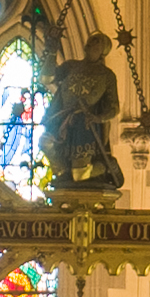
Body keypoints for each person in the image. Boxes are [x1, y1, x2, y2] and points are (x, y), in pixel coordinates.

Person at [42, 32, 126, 193]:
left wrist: (98, 118)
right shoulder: (70, 67)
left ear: (103, 50)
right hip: (62, 119)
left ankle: (106, 166)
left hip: (85, 125)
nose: (90, 43)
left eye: (96, 42)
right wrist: (52, 52)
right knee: (45, 142)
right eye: (90, 40)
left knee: (80, 175)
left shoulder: (107, 76)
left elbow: (114, 107)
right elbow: (46, 78)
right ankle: (62, 173)